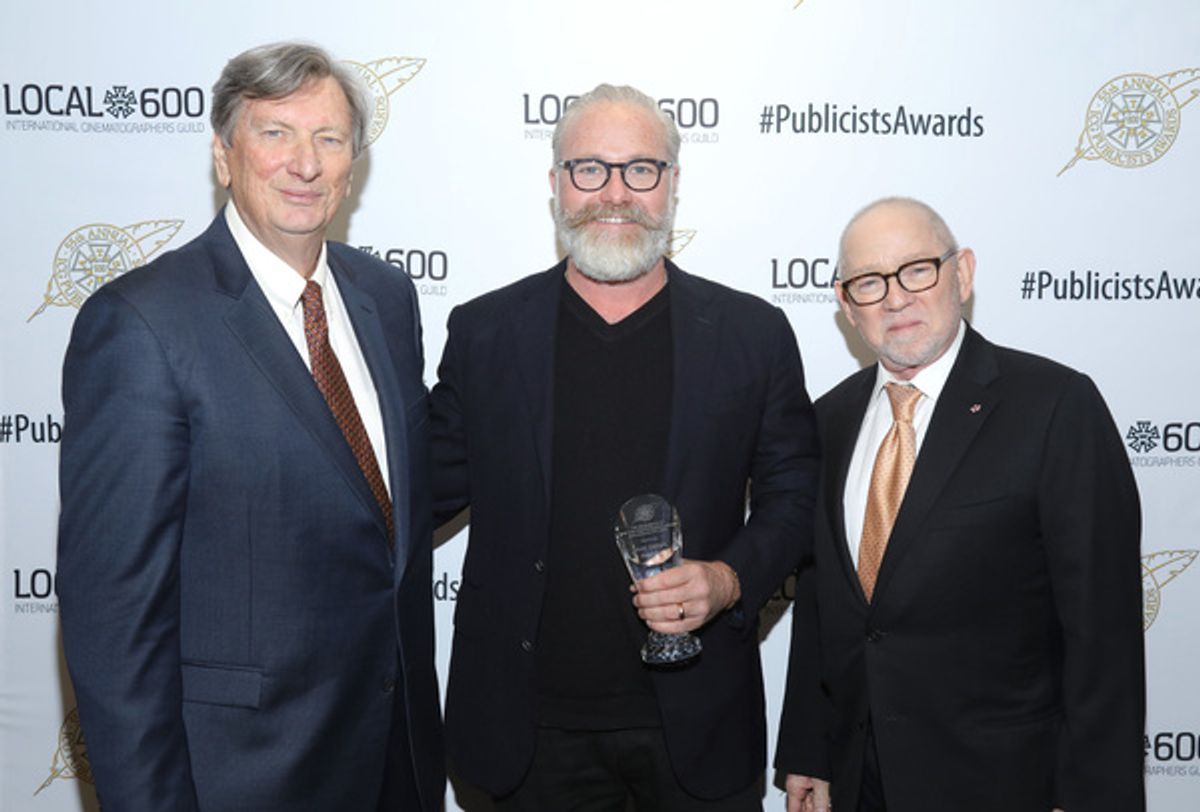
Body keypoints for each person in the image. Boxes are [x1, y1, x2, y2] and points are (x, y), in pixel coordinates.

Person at [57, 42, 443, 811]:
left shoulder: (386, 299)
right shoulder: (142, 324)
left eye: (329, 139)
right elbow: (115, 625)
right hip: (244, 778)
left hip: (394, 760)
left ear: (352, 164)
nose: (304, 162)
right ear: (223, 155)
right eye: (275, 133)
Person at [429, 83, 819, 810]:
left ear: (672, 185)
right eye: (590, 169)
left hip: (699, 735)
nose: (615, 193)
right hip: (522, 738)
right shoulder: (485, 333)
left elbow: (796, 501)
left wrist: (729, 580)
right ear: (555, 185)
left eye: (641, 169)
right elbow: (413, 491)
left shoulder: (751, 335)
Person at [776, 197, 1144, 812]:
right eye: (870, 283)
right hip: (859, 780)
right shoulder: (827, 420)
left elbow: (1103, 639)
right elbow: (820, 607)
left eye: (917, 269)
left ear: (963, 274)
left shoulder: (1056, 407)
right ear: (846, 305)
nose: (896, 298)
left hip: (1007, 786)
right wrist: (809, 754)